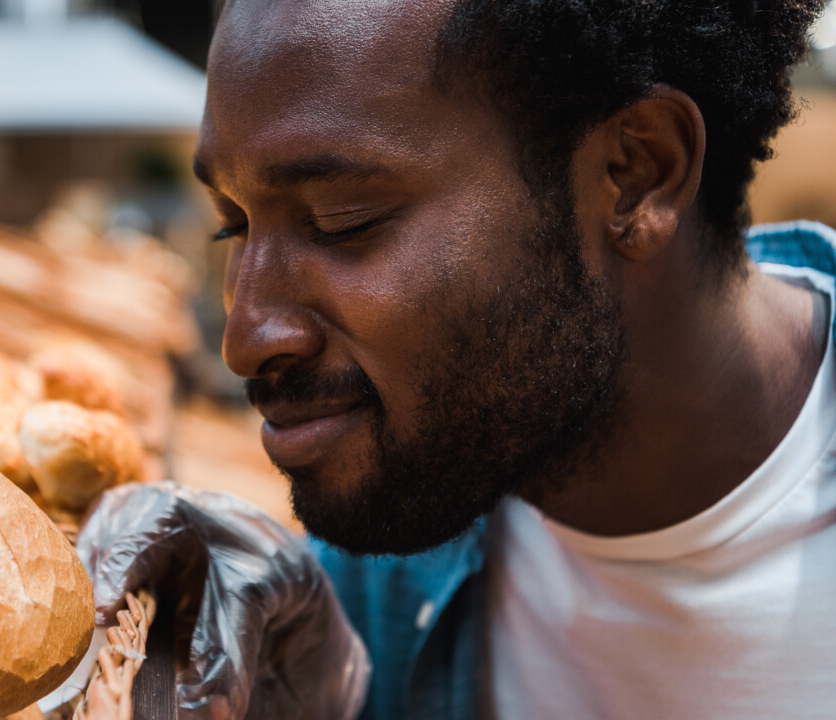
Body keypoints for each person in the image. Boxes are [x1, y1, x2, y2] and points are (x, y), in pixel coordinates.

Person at [77, 1, 836, 718]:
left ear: (637, 172)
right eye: (232, 226)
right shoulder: (368, 586)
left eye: (344, 222)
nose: (244, 340)